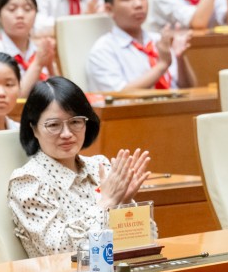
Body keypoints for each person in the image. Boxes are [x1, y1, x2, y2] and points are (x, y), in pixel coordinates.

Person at [8, 77, 149, 257]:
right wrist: (106, 203)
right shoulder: (28, 181)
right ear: (34, 129)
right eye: (53, 125)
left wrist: (126, 203)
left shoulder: (101, 166)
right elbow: (59, 251)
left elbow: (143, 240)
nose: (67, 134)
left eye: (75, 122)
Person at [86, 0, 194, 93]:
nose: (138, 4)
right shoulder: (103, 50)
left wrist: (180, 59)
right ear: (109, 9)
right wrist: (162, 65)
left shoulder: (159, 40)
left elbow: (189, 89)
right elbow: (119, 94)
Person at [0, 0, 58, 96]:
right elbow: (11, 100)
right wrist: (37, 64)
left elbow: (60, 94)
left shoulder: (39, 51)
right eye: (12, 9)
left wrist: (50, 66)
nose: (20, 15)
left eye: (27, 9)